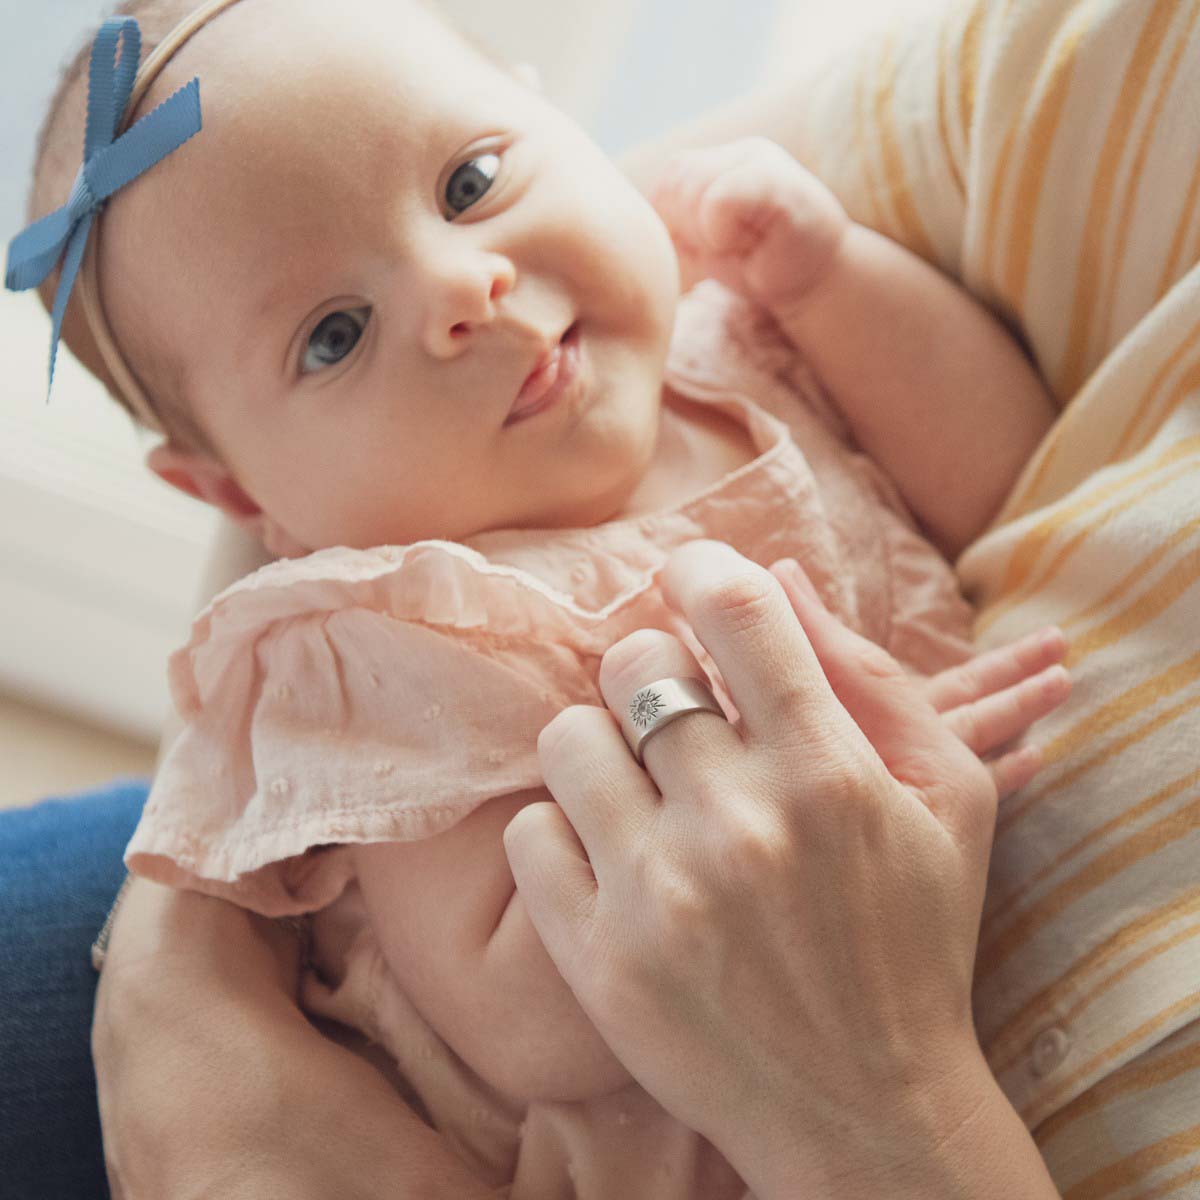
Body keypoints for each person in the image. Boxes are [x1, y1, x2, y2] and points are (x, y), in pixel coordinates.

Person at [11, 0, 1200, 1196]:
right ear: (231, 488)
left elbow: (1007, 479)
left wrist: (836, 275)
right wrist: (846, 790)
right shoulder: (397, 642)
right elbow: (516, 1012)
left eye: (470, 181)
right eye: (333, 336)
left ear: (555, 115)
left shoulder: (733, 340)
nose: (462, 285)